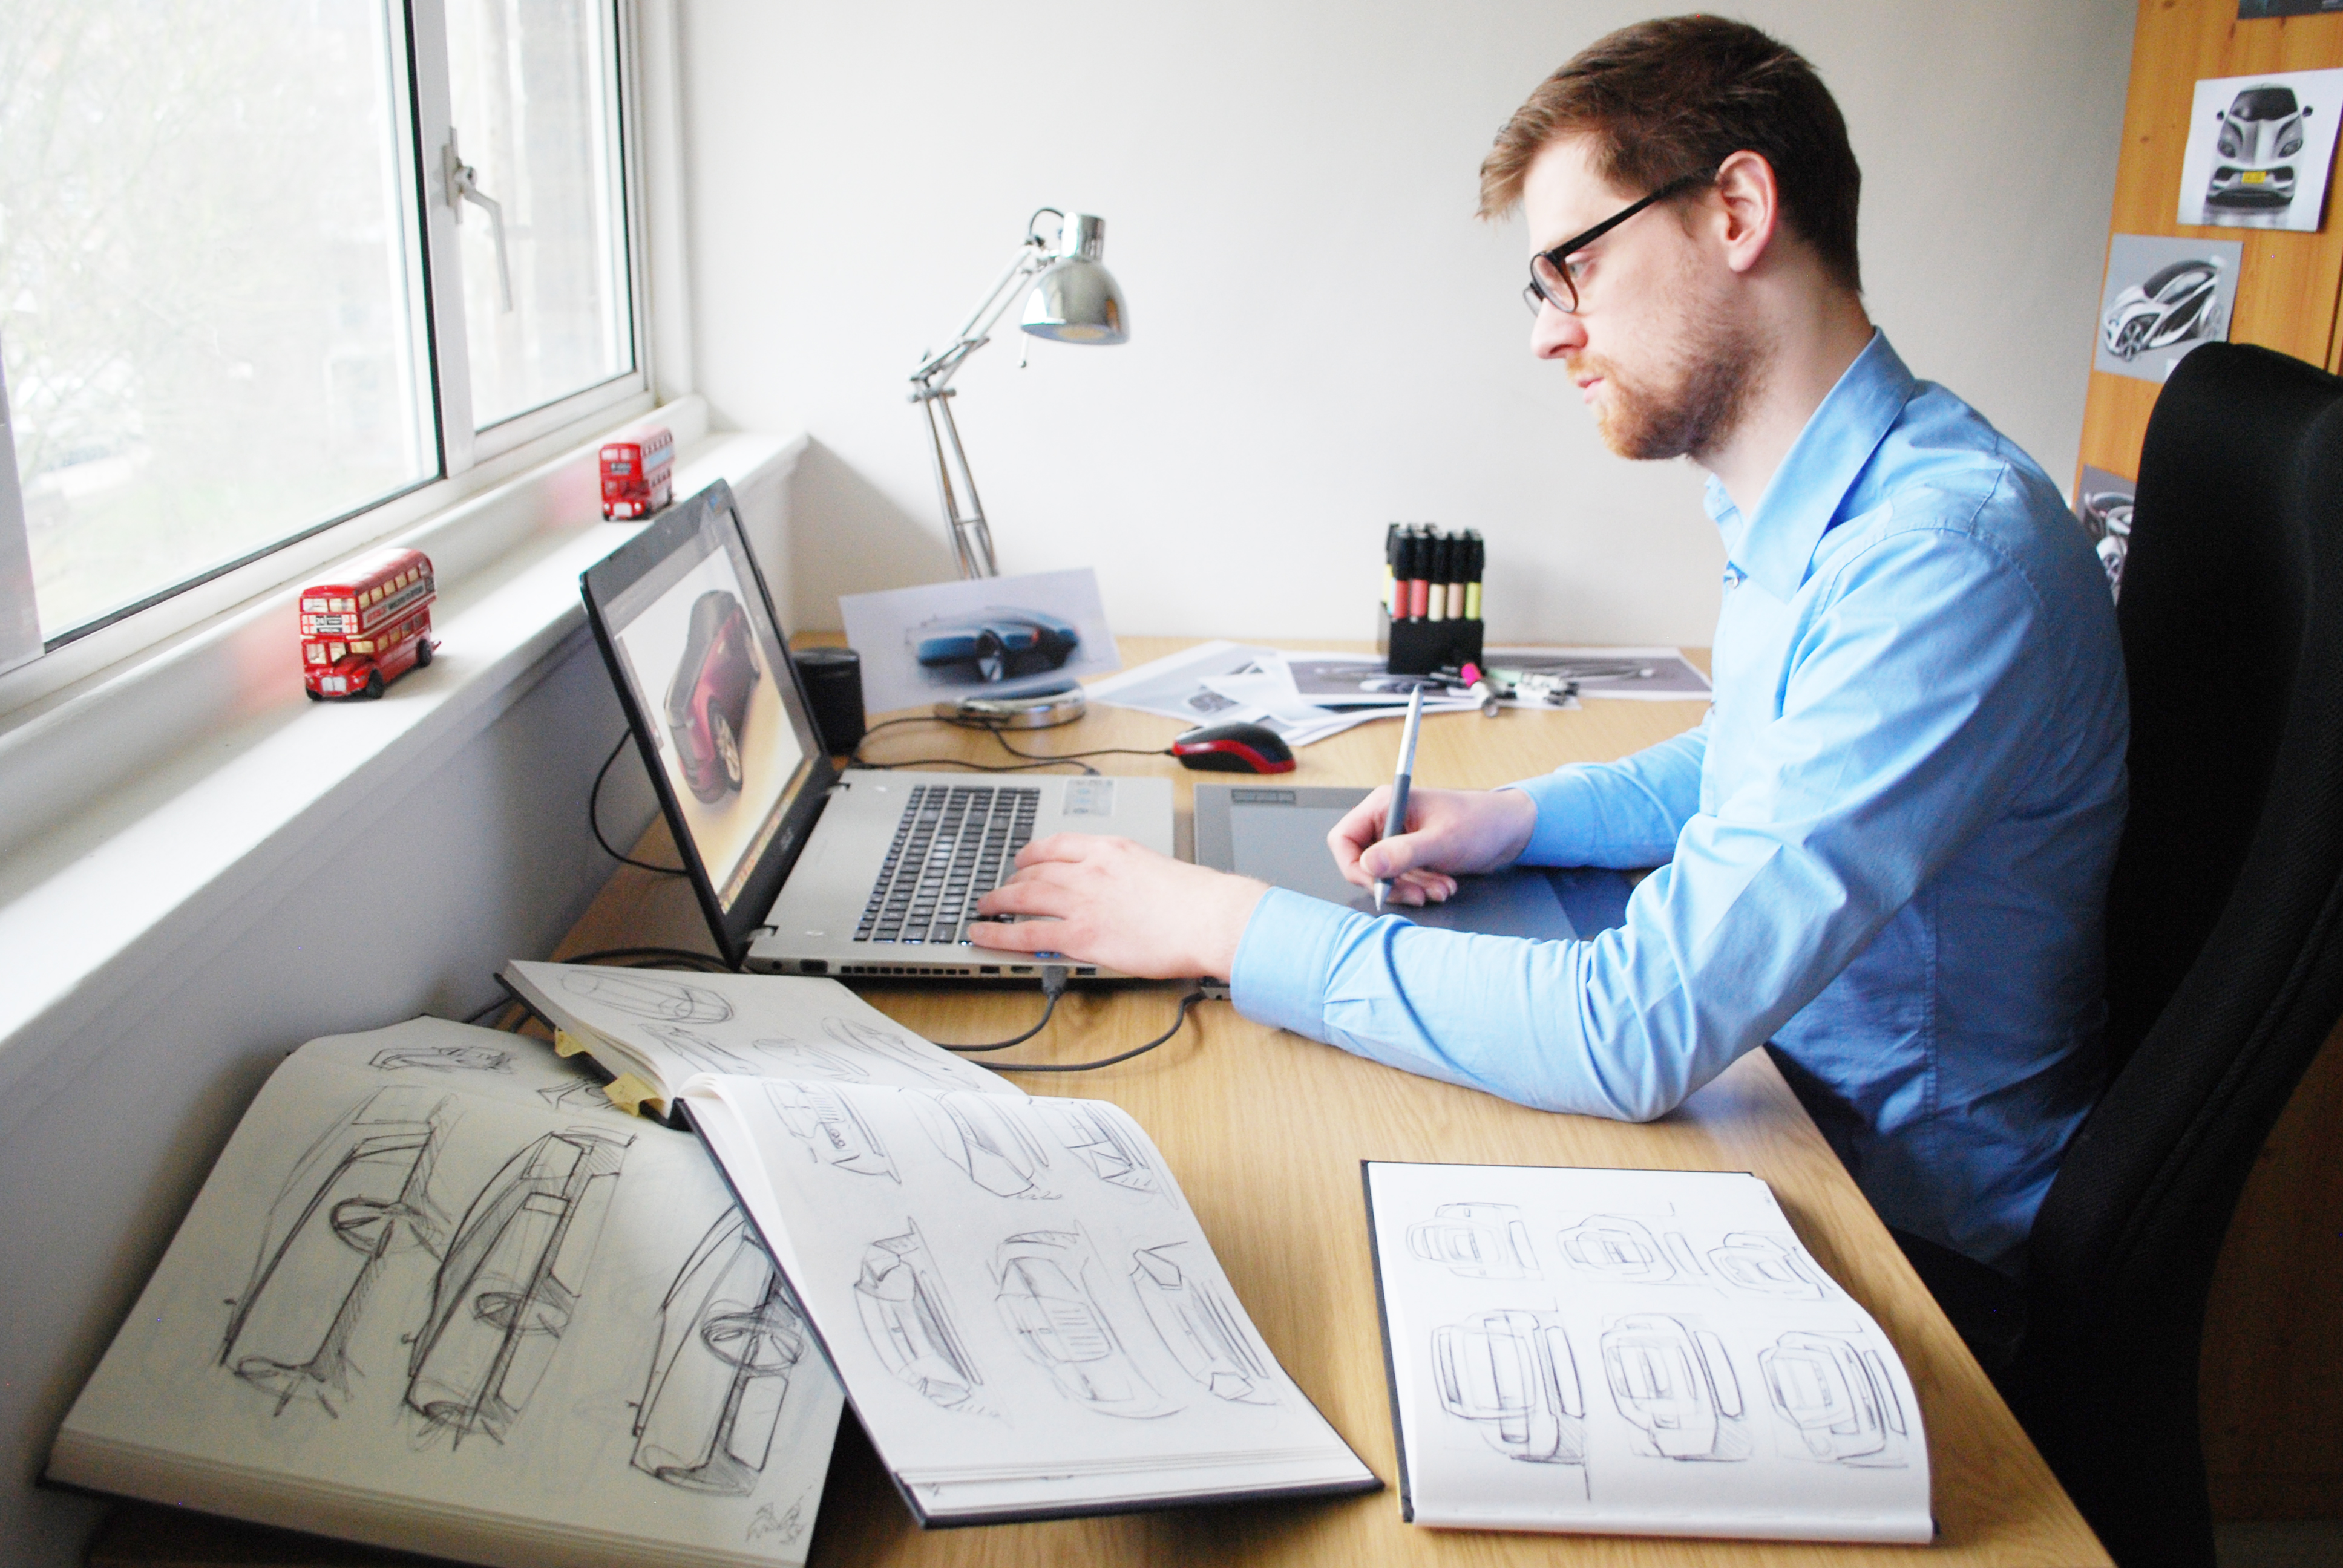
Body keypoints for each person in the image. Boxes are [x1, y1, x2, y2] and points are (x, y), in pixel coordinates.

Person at [968, 15, 2125, 1313]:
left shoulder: (1941, 563)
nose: (1546, 334)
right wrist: (1518, 818)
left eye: (1569, 267)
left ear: (1736, 208)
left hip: (1893, 1227)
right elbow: (1763, 750)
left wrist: (1213, 926)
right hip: (1777, 1104)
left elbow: (1635, 1033)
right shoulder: (1830, 502)